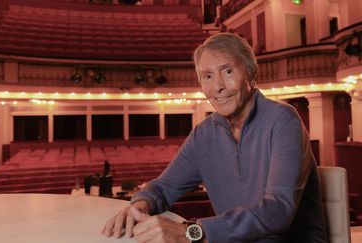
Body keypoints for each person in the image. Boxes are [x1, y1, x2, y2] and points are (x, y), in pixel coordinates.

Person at [101, 33, 327, 242]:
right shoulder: (204, 134)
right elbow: (163, 186)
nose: (218, 86)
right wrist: (140, 205)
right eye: (207, 76)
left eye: (228, 71)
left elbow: (278, 210)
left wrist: (193, 233)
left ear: (250, 72)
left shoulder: (283, 119)